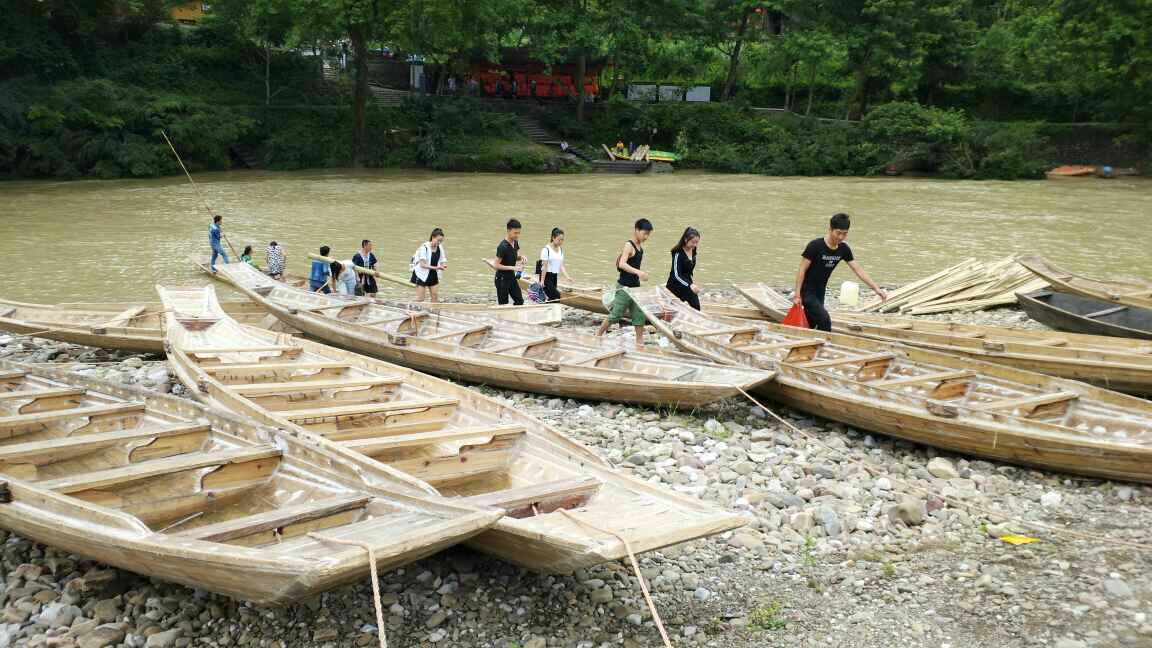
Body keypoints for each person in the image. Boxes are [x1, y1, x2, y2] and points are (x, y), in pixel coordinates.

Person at [793, 213, 888, 331]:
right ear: (830, 230)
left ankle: (807, 341)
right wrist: (797, 295)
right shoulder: (815, 246)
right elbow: (802, 270)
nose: (841, 237)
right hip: (807, 291)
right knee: (824, 319)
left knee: (812, 322)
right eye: (838, 233)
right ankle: (825, 345)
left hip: (821, 291)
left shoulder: (843, 249)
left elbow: (857, 269)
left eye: (845, 234)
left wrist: (876, 289)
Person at [596, 218, 653, 347]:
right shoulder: (629, 245)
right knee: (616, 314)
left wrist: (642, 274)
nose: (646, 236)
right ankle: (598, 334)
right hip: (624, 287)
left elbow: (634, 266)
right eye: (644, 233)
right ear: (637, 230)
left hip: (635, 287)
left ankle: (639, 341)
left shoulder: (640, 248)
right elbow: (622, 264)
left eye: (648, 234)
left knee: (639, 315)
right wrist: (638, 272)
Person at [666, 227, 701, 310]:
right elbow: (676, 275)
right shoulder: (678, 253)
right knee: (672, 309)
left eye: (697, 242)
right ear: (685, 239)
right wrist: (690, 285)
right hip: (675, 284)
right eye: (693, 242)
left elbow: (688, 270)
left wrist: (691, 283)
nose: (695, 245)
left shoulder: (693, 250)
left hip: (687, 282)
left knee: (696, 306)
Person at [411, 228, 448, 302]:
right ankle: (410, 309)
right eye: (438, 240)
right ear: (433, 237)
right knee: (421, 298)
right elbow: (422, 265)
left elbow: (443, 259)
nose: (439, 243)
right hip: (421, 274)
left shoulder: (440, 247)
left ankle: (433, 312)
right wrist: (437, 267)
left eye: (441, 241)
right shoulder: (424, 247)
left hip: (433, 273)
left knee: (435, 296)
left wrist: (443, 265)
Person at [493, 219, 524, 305]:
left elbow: (514, 257)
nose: (517, 235)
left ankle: (514, 317)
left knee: (520, 301)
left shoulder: (515, 242)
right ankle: (503, 317)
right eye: (515, 233)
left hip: (511, 277)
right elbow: (496, 265)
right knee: (503, 305)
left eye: (519, 233)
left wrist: (521, 257)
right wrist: (513, 267)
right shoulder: (502, 247)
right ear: (508, 231)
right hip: (501, 279)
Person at [537, 227, 571, 302]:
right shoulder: (546, 250)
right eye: (559, 239)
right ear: (553, 238)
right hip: (546, 277)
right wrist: (542, 281)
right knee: (557, 296)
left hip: (554, 277)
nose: (561, 242)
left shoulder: (561, 250)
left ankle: (549, 310)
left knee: (553, 298)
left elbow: (561, 265)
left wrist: (567, 277)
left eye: (562, 240)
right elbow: (544, 266)